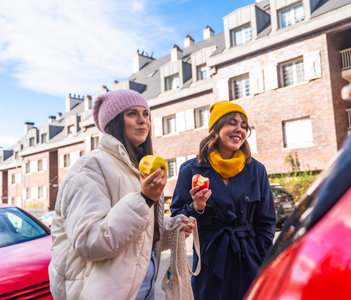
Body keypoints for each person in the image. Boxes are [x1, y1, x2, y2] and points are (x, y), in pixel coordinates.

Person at [48, 89, 194, 300]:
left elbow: (136, 238)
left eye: (146, 114)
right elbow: (91, 241)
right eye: (132, 113)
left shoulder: (138, 168)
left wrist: (174, 229)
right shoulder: (89, 167)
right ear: (115, 122)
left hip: (143, 291)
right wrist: (144, 199)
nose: (142, 120)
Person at [170, 100, 276, 300]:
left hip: (250, 262)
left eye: (244, 126)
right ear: (216, 129)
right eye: (232, 123)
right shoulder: (190, 170)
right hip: (211, 265)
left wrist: (260, 256)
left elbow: (267, 221)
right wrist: (196, 207)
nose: (239, 129)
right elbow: (176, 219)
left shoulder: (256, 170)